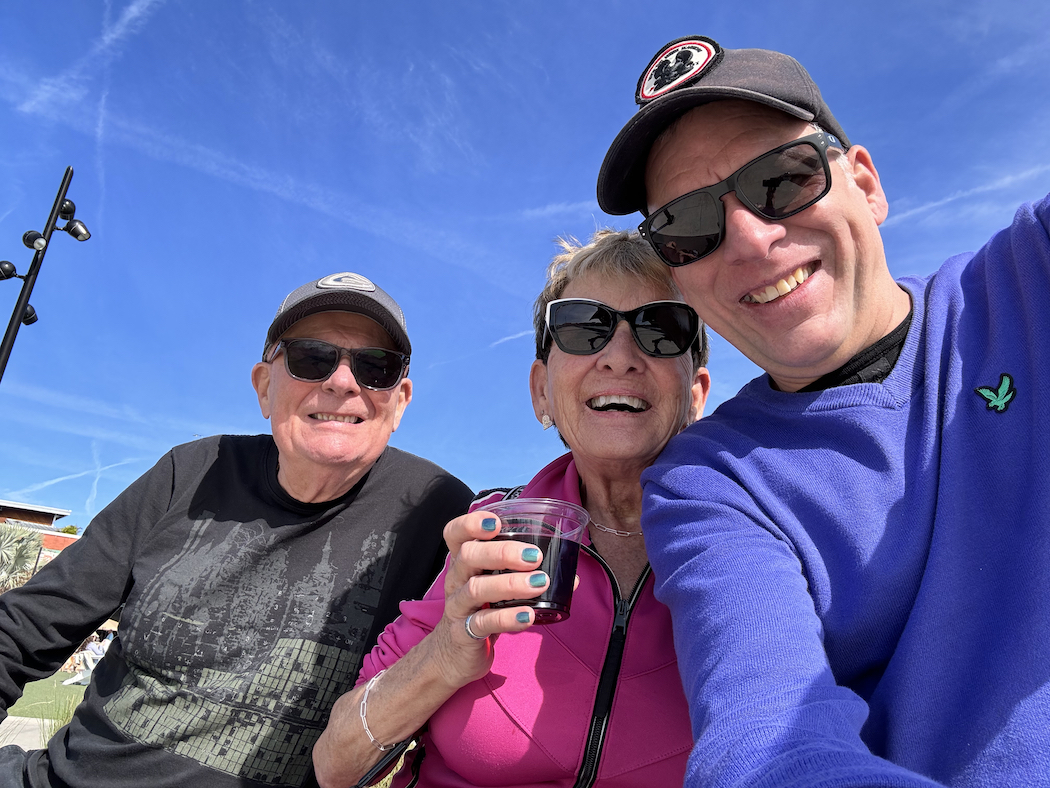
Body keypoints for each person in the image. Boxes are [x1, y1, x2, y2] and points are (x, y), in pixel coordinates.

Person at [596, 35, 1050, 788]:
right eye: (687, 226)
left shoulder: (1031, 277)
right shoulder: (709, 483)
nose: (750, 239)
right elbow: (769, 748)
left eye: (782, 179)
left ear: (865, 184)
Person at [0, 272, 473, 788]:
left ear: (399, 402)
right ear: (265, 386)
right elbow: (25, 629)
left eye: (376, 366)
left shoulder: (439, 513)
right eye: (311, 358)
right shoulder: (190, 471)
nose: (342, 382)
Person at [311, 230, 711, 787]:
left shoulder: (742, 546)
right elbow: (335, 765)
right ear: (541, 390)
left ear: (696, 394)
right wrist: (444, 656)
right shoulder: (494, 533)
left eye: (661, 329)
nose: (620, 358)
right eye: (582, 328)